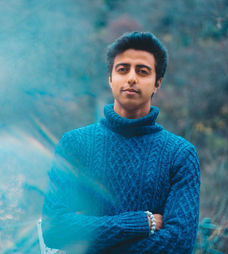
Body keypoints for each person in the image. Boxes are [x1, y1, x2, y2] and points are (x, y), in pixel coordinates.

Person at [42, 32, 200, 254]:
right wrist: (141, 223)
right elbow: (54, 229)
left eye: (142, 71)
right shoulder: (74, 144)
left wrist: (89, 239)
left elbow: (179, 244)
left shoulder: (180, 154)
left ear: (157, 83)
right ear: (110, 78)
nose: (131, 78)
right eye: (123, 69)